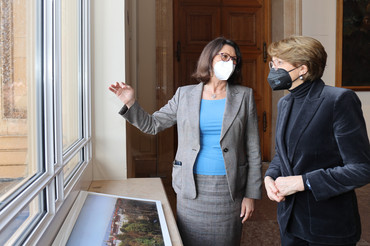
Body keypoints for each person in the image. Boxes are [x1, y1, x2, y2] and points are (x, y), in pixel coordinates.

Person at [109, 37, 262, 246]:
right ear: (209, 58)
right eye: (224, 56)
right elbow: (152, 125)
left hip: (229, 190)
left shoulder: (244, 96)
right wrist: (130, 102)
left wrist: (251, 195)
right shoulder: (185, 94)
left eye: (234, 60)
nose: (230, 62)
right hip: (191, 188)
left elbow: (253, 148)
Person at [264, 35, 370, 246]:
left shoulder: (338, 100)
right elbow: (282, 154)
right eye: (272, 63)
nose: (273, 69)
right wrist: (270, 177)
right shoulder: (285, 103)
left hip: (328, 227)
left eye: (279, 63)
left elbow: (361, 169)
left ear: (303, 68)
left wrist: (303, 182)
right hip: (290, 222)